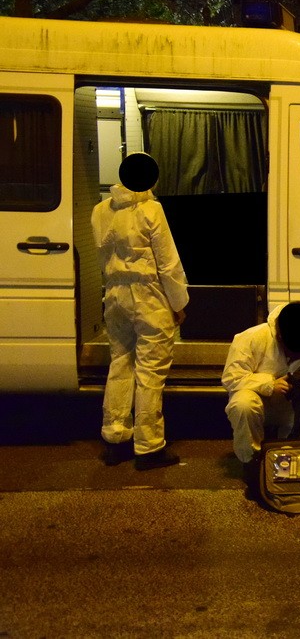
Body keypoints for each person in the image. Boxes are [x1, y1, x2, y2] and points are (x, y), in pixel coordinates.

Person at [91, 152, 188, 470]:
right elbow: (168, 263)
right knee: (150, 373)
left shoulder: (100, 211)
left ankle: (116, 439)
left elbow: (103, 255)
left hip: (115, 296)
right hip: (148, 298)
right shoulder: (151, 209)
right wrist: (178, 304)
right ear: (150, 179)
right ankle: (149, 447)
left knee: (120, 364)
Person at [222, 301, 300, 475]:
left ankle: (292, 461)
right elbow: (231, 378)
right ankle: (252, 462)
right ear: (279, 336)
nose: (296, 356)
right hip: (260, 404)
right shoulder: (252, 337)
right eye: (292, 352)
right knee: (242, 404)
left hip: (293, 407)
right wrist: (269, 384)